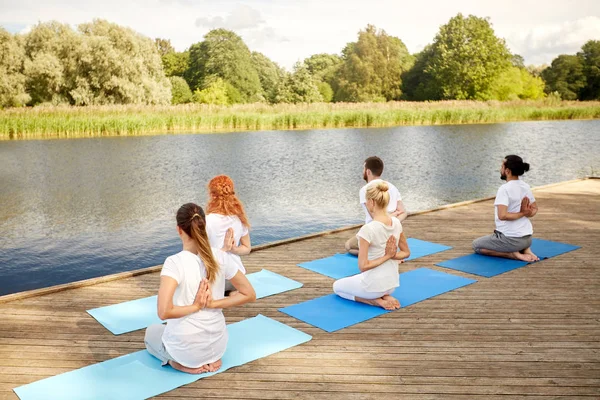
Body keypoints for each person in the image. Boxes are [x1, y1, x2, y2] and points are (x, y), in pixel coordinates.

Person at [144, 203, 256, 374]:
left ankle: (177, 363)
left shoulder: (174, 262)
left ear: (179, 229)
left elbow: (163, 312)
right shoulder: (220, 256)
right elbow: (249, 294)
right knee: (168, 330)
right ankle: (207, 358)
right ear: (204, 225)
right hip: (218, 348)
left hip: (186, 353)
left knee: (151, 332)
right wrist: (213, 304)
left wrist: (196, 306)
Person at [334, 181, 410, 310]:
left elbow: (363, 266)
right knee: (357, 278)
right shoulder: (396, 222)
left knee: (337, 287)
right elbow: (406, 253)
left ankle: (374, 301)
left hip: (372, 288)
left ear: (371, 202)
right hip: (391, 285)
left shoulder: (367, 229)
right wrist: (393, 255)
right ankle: (385, 296)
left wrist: (387, 256)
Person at [472, 155, 539, 262]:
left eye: (501, 166)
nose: (500, 169)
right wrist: (527, 212)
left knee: (477, 245)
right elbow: (534, 209)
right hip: (528, 239)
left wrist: (522, 213)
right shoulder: (525, 186)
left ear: (507, 171)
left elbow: (502, 216)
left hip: (511, 241)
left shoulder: (504, 189)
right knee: (499, 235)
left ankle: (514, 255)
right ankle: (526, 250)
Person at [345, 156, 407, 256]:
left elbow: (376, 217)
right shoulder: (392, 187)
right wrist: (392, 220)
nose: (363, 171)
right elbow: (403, 212)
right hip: (391, 232)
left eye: (363, 169)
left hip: (374, 232)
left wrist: (387, 220)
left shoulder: (366, 190)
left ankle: (380, 253)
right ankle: (384, 251)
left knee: (349, 246)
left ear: (368, 171)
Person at [205, 175, 251, 293]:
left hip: (215, 280)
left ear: (212, 195)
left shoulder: (207, 220)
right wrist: (233, 249)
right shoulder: (240, 219)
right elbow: (247, 248)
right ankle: (232, 293)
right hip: (237, 279)